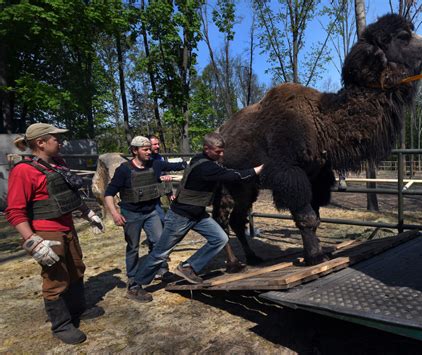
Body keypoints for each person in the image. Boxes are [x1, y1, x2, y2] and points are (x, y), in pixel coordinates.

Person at [128, 132, 264, 302]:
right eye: (218, 151)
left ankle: (188, 267)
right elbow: (234, 176)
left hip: (197, 213)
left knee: (220, 238)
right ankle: (135, 286)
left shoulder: (201, 158)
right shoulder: (205, 167)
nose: (222, 155)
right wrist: (258, 169)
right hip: (180, 216)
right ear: (207, 149)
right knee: (161, 252)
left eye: (223, 151)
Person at [5, 123, 105, 344]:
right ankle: (61, 325)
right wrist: (33, 241)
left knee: (77, 269)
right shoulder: (24, 171)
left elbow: (69, 194)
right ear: (41, 143)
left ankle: (78, 310)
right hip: (46, 232)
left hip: (67, 226)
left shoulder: (58, 164)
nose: (60, 143)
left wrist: (88, 213)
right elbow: (14, 211)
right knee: (55, 279)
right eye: (55, 139)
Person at [104, 136, 186, 302]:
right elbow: (109, 193)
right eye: (146, 149)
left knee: (160, 242)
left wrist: (196, 162)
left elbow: (176, 166)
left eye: (150, 148)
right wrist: (115, 214)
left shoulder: (155, 164)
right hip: (131, 214)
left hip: (151, 212)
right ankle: (133, 286)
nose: (150, 152)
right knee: (133, 248)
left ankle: (162, 271)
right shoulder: (124, 170)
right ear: (135, 150)